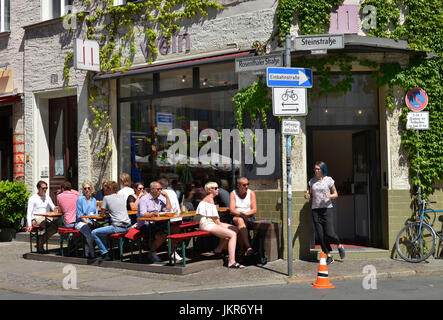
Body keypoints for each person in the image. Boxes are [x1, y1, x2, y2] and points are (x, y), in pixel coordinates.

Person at [305, 161, 345, 265]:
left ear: (323, 169)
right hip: (315, 210)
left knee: (329, 233)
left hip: (327, 209)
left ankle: (339, 244)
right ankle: (329, 255)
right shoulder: (312, 181)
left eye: (318, 169)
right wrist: (308, 196)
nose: (316, 171)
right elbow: (310, 194)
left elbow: (336, 194)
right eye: (315, 169)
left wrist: (330, 196)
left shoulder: (329, 180)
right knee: (320, 235)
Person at [197, 181, 243, 269]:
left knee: (235, 229)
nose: (218, 190)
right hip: (207, 224)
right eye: (215, 188)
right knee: (232, 234)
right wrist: (223, 227)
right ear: (210, 190)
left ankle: (218, 250)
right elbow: (216, 220)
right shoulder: (210, 199)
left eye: (217, 188)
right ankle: (232, 262)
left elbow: (215, 219)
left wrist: (223, 227)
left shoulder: (210, 199)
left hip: (210, 222)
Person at [137, 181, 182, 263]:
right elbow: (142, 214)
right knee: (161, 235)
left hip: (157, 223)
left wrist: (167, 197)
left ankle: (172, 252)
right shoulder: (144, 199)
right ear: (152, 189)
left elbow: (168, 209)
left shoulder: (160, 198)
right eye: (158, 189)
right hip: (146, 224)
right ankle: (152, 252)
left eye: (161, 189)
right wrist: (152, 214)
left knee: (175, 229)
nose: (160, 191)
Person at [91, 180, 132, 261]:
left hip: (118, 227)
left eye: (106, 189)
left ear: (110, 189)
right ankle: (112, 250)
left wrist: (106, 212)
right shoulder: (122, 196)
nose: (104, 191)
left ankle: (105, 253)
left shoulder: (106, 198)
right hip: (128, 226)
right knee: (105, 230)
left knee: (94, 232)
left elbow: (102, 214)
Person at [26, 180, 57, 252]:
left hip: (46, 218)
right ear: (38, 189)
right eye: (43, 188)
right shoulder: (33, 198)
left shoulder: (47, 197)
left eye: (46, 188)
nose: (45, 190)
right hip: (36, 219)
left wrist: (58, 208)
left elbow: (53, 208)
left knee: (56, 226)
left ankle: (41, 240)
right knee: (49, 224)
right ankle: (41, 243)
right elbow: (29, 212)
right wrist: (29, 225)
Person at [229, 177, 256, 256]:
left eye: (248, 184)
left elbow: (254, 210)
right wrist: (242, 215)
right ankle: (248, 247)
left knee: (241, 225)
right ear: (238, 185)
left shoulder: (251, 193)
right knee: (240, 220)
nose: (246, 186)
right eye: (244, 185)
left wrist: (245, 215)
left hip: (249, 217)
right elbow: (232, 210)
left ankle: (242, 250)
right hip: (236, 216)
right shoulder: (233, 194)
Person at [75, 181, 98, 259]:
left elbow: (95, 213)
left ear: (91, 189)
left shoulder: (94, 200)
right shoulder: (80, 200)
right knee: (89, 234)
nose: (87, 190)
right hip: (81, 222)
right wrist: (88, 222)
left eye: (89, 188)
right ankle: (91, 252)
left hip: (91, 222)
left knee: (100, 232)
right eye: (85, 188)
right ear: (82, 190)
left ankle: (87, 247)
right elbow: (80, 215)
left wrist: (94, 221)